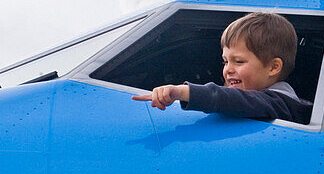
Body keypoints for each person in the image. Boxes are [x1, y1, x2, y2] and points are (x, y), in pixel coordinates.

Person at [133, 12, 312, 124]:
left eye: (239, 62)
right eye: (225, 62)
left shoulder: (282, 103)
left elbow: (237, 100)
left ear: (273, 67)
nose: (228, 70)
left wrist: (183, 92)